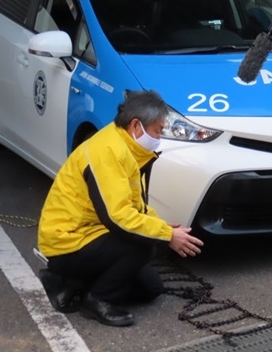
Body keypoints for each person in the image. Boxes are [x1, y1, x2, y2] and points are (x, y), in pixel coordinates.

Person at [37, 90, 203, 327]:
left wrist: (163, 227)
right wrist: (166, 235)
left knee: (151, 288)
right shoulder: (106, 151)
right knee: (141, 246)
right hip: (68, 243)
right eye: (157, 130)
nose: (159, 137)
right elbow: (118, 218)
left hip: (92, 235)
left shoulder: (128, 148)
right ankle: (97, 300)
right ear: (136, 126)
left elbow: (136, 206)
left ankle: (69, 283)